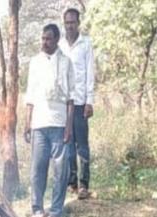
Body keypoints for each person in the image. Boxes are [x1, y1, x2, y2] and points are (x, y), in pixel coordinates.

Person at [24, 24, 75, 217]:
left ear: (56, 40)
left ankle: (55, 211)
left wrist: (69, 127)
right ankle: (37, 209)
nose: (44, 42)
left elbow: (71, 98)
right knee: (38, 169)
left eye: (48, 39)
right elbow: (30, 95)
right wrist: (27, 123)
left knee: (61, 170)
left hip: (59, 122)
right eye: (43, 38)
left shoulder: (66, 62)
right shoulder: (35, 62)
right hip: (39, 123)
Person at [59, 8, 95, 200]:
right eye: (67, 23)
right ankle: (71, 182)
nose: (70, 26)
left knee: (82, 145)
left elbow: (90, 74)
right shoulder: (60, 45)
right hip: (65, 104)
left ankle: (83, 184)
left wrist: (90, 101)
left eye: (73, 22)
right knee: (68, 144)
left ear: (78, 23)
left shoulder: (86, 44)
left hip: (81, 102)